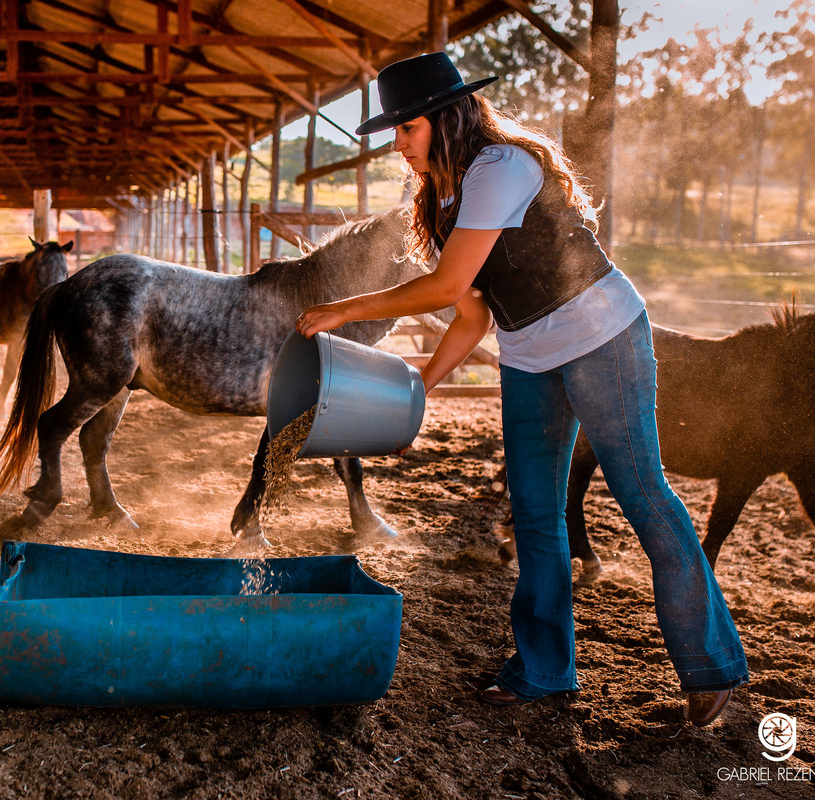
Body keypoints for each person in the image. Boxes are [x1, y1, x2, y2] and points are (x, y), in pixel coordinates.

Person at [295, 52, 747, 726]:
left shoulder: (501, 166)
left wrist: (344, 309)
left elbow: (447, 286)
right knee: (536, 514)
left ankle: (712, 666)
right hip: (529, 355)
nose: (399, 144)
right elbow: (472, 313)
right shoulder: (440, 200)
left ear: (447, 119)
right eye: (395, 131)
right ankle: (543, 669)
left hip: (602, 336)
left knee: (641, 493)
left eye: (407, 128)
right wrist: (418, 389)